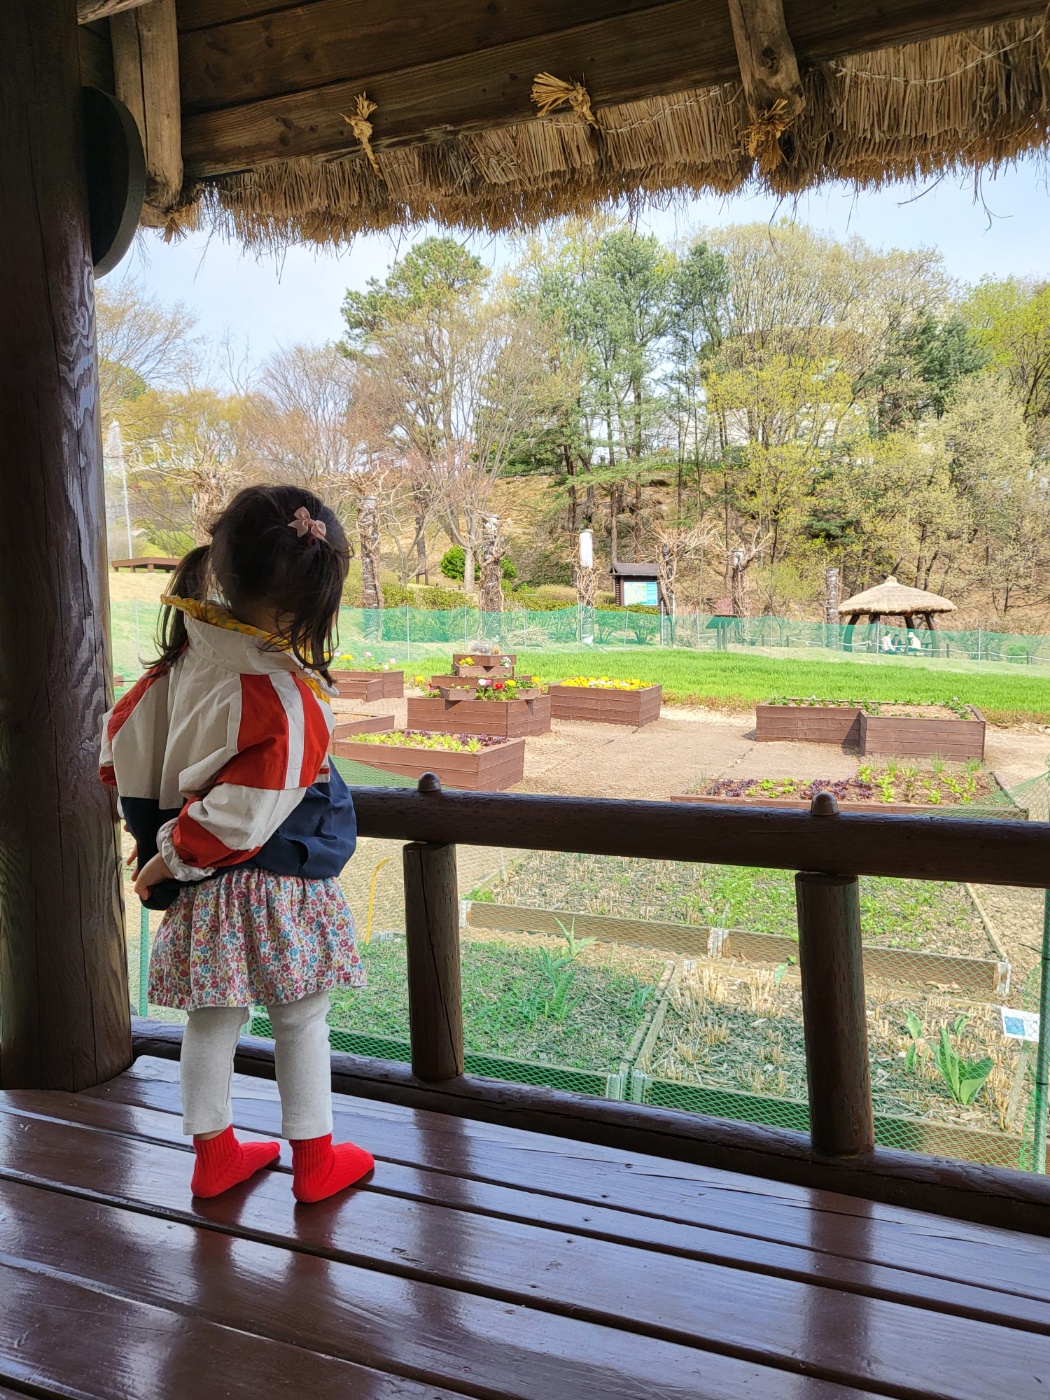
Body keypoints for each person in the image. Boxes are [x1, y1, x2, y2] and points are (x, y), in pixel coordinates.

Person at [100, 485, 373, 1202]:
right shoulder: (284, 693)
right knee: (301, 1017)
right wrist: (175, 852)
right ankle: (315, 1162)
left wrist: (157, 840)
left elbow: (118, 740)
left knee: (211, 1016)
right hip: (276, 880)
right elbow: (246, 814)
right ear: (314, 602)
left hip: (205, 884)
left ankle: (214, 1155)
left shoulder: (181, 658)